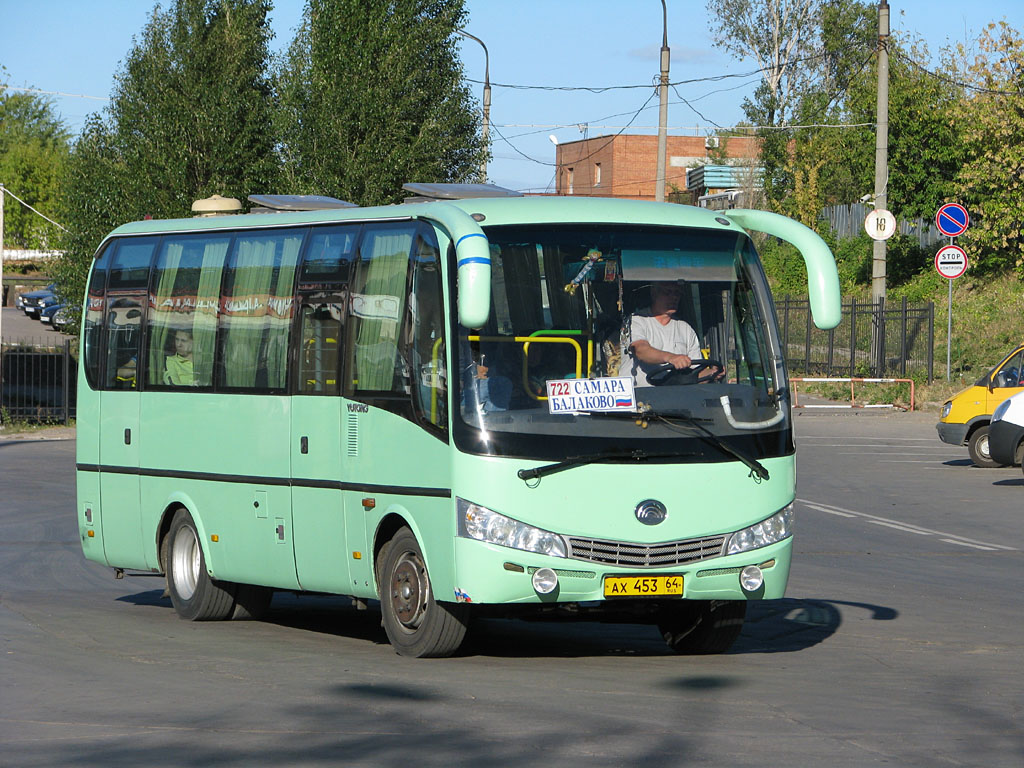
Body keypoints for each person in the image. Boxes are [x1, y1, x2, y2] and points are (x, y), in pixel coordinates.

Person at [619, 282, 721, 386]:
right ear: (654, 293)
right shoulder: (636, 321)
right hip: (639, 396)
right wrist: (671, 358)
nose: (674, 297)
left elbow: (695, 373)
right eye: (668, 292)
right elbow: (640, 350)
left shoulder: (685, 329)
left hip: (675, 397)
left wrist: (712, 373)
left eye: (677, 293)